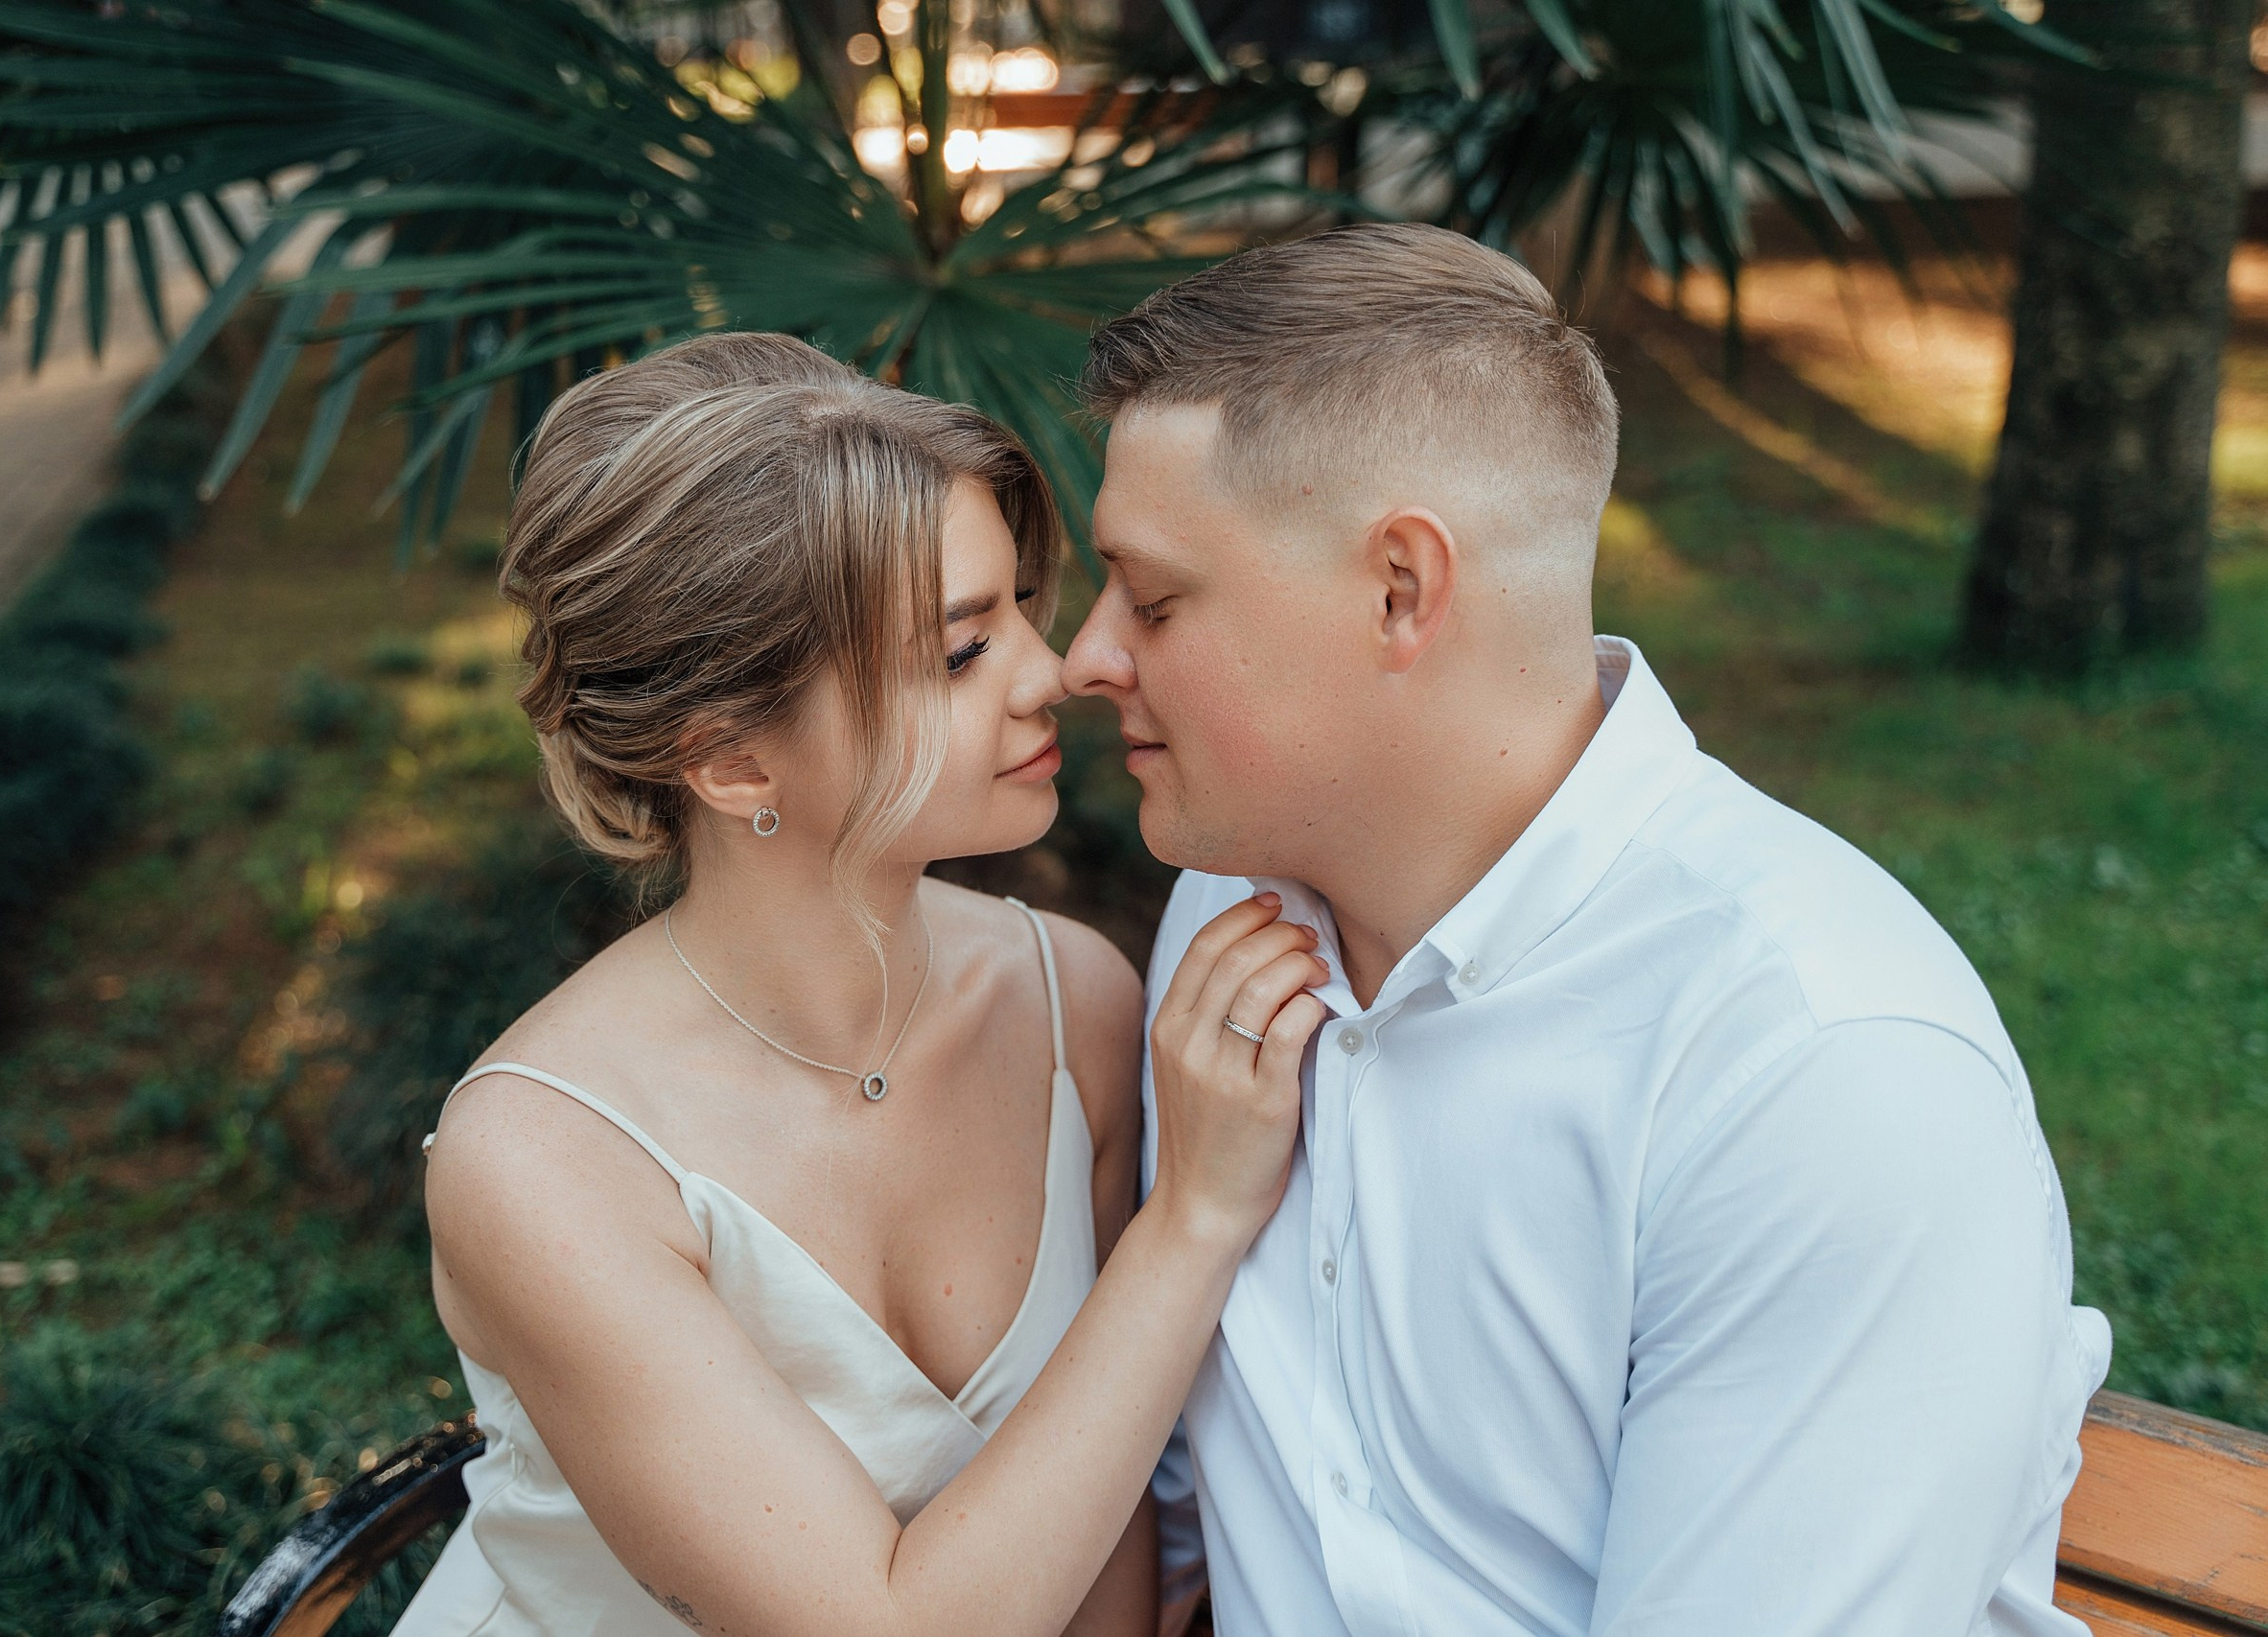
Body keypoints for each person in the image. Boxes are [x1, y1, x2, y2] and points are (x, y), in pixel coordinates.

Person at [1062, 222, 2116, 1637]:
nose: (1086, 656)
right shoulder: (1233, 914)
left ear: (1401, 590)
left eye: (1155, 597)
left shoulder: (1820, 1070)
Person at [395, 332, 1324, 1637]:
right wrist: (1196, 1227)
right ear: (730, 763)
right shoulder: (541, 1163)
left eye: (1015, 612)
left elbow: (1100, 1503)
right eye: (956, 654)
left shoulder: (1078, 1002)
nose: (1051, 675)